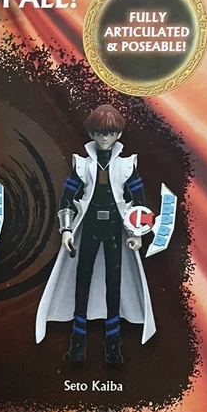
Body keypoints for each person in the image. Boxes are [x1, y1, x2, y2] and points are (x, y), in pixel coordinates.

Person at [35, 104, 155, 364]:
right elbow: (67, 199)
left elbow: (139, 202)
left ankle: (113, 344)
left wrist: (137, 233)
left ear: (118, 135)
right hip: (88, 226)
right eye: (99, 133)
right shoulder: (82, 165)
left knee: (114, 283)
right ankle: (77, 343)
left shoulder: (126, 165)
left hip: (114, 228)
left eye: (110, 133)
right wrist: (66, 229)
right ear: (92, 134)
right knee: (82, 281)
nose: (104, 138)